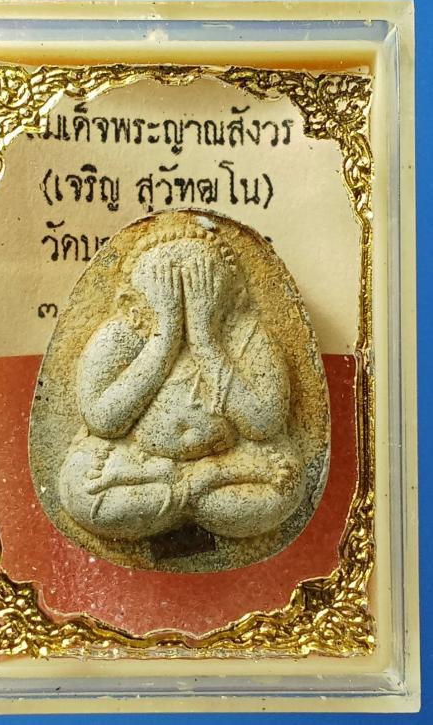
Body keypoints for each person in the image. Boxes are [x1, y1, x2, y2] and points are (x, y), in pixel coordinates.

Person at [59, 229, 304, 541]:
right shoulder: (120, 336)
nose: (184, 300)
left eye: (198, 285)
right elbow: (103, 421)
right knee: (81, 494)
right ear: (132, 305)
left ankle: (190, 490)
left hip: (227, 458)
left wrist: (204, 339)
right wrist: (165, 336)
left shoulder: (245, 335)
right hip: (141, 464)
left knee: (284, 487)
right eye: (168, 289)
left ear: (234, 297)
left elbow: (264, 423)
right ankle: (192, 491)